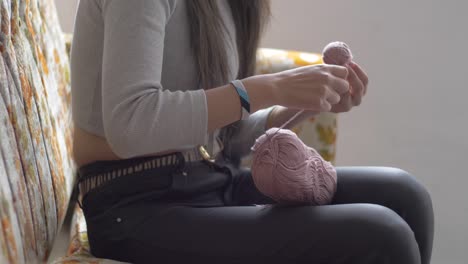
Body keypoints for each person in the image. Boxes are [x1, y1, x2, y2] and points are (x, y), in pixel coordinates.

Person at [70, 0, 434, 263]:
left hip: (212, 178)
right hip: (136, 205)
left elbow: (228, 134)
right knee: (382, 233)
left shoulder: (231, 6)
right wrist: (267, 87)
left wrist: (307, 100)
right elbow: (130, 124)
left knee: (404, 194)